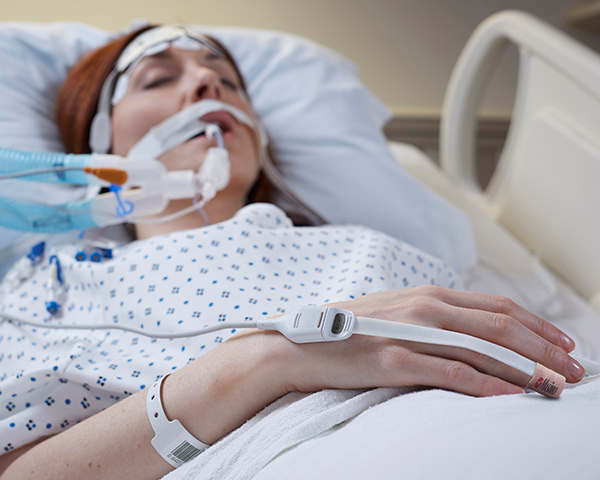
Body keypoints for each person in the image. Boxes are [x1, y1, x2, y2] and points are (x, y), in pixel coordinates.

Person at [0, 25, 585, 480]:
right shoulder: (56, 287)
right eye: (156, 80)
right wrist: (272, 358)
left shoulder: (370, 246)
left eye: (228, 82)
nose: (207, 86)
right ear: (99, 144)